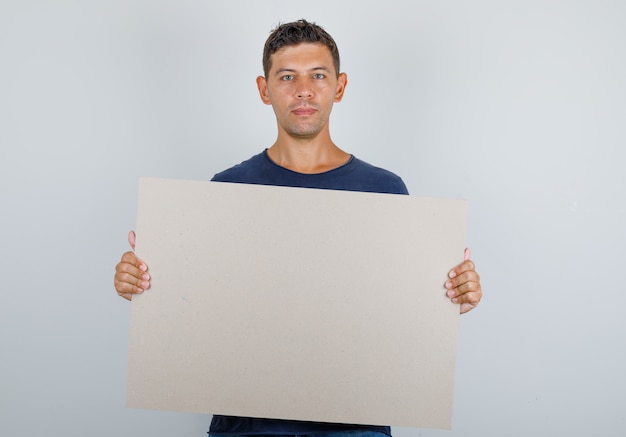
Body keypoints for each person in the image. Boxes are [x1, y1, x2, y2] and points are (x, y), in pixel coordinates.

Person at [114, 19, 482, 437]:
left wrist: (453, 292)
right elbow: (195, 304)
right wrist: (143, 281)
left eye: (318, 76)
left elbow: (402, 313)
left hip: (356, 424)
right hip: (248, 426)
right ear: (264, 88)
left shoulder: (385, 191)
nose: (303, 90)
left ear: (339, 87)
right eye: (287, 77)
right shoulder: (228, 190)